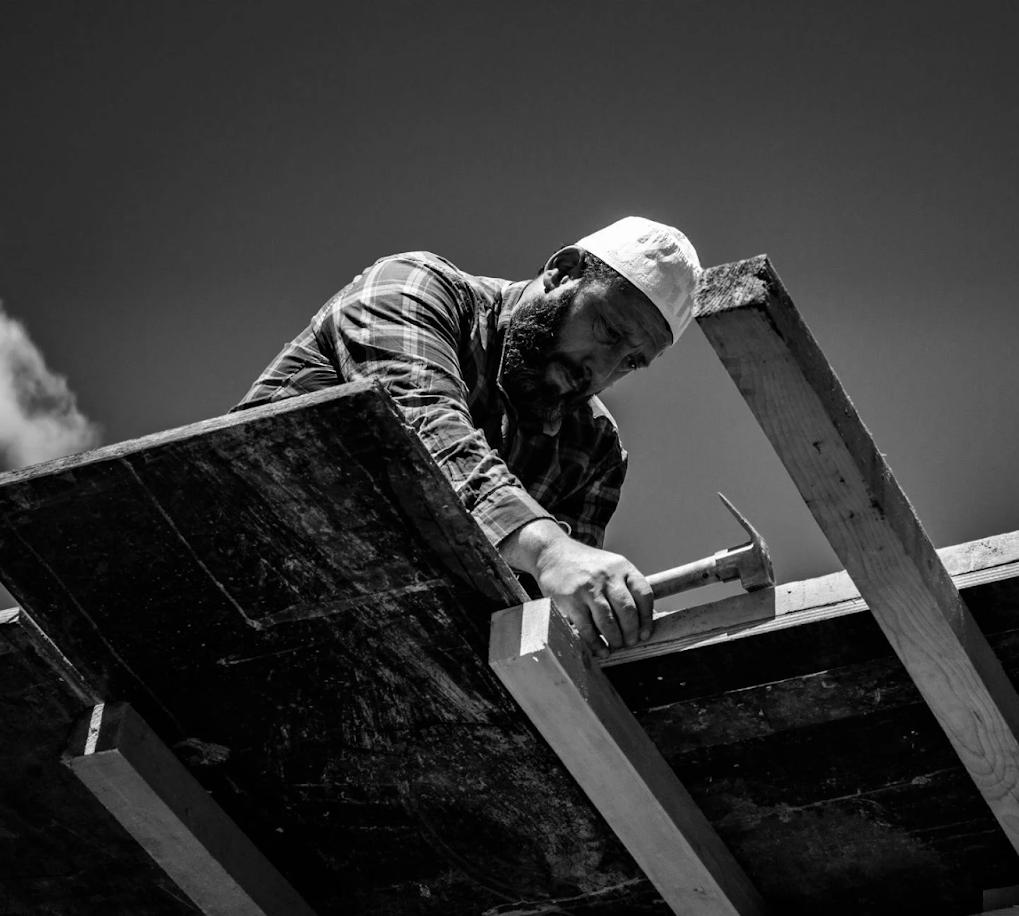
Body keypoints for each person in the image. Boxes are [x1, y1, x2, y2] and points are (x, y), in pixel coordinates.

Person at [233, 216, 701, 657]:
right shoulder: (415, 288)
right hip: (237, 560)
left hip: (368, 650)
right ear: (563, 272)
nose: (601, 371)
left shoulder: (595, 448)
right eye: (608, 331)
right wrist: (550, 550)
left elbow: (549, 613)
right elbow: (425, 429)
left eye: (632, 362)